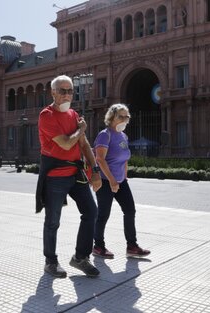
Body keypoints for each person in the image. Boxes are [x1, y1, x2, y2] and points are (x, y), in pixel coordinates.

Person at [36, 75, 102, 278]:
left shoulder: (73, 114)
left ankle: (80, 258)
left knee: (91, 212)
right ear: (53, 92)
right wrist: (81, 129)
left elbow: (84, 145)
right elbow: (65, 143)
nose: (67, 95)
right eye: (62, 91)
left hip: (76, 174)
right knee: (53, 221)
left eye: (70, 91)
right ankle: (51, 262)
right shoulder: (46, 115)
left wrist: (95, 170)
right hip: (55, 176)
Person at [92, 104, 151, 259]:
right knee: (103, 214)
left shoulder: (123, 136)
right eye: (121, 116)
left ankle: (131, 246)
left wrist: (123, 176)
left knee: (130, 211)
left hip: (120, 181)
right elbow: (100, 159)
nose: (125, 119)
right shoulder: (105, 135)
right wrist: (112, 180)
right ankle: (98, 246)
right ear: (111, 118)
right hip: (106, 181)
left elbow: (124, 158)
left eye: (127, 117)